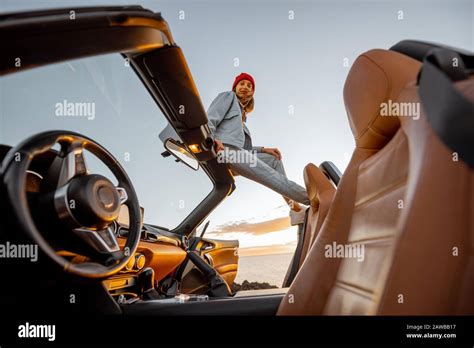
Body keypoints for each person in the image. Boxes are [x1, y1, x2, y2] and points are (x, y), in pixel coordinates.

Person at [207, 72, 310, 212]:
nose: (245, 87)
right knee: (270, 175)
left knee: (274, 159)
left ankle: (294, 208)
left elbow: (245, 151)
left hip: (237, 154)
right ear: (235, 87)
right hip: (223, 151)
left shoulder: (242, 120)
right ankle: (315, 197)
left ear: (252, 91)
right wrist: (211, 139)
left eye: (249, 85)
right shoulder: (228, 96)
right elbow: (210, 118)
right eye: (241, 84)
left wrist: (263, 150)